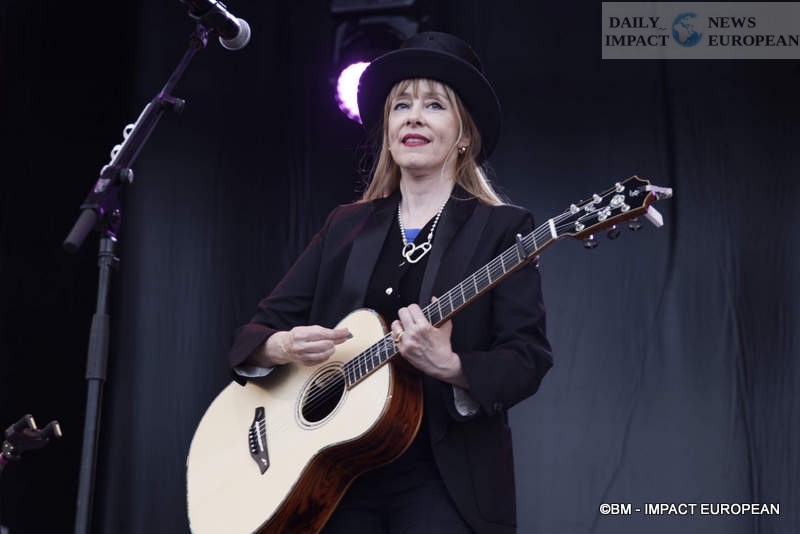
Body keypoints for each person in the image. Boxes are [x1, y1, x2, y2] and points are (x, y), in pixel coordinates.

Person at [227, 32, 553, 534]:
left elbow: (527, 358)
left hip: (443, 480)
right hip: (334, 478)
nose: (413, 117)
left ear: (464, 135)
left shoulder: (503, 229)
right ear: (387, 130)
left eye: (434, 105)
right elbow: (255, 333)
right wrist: (283, 345)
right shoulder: (345, 226)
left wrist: (451, 366)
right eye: (401, 105)